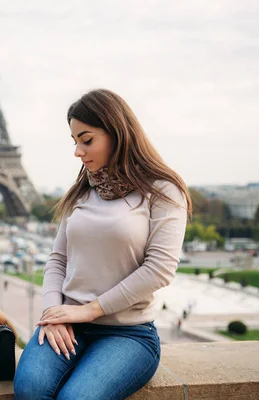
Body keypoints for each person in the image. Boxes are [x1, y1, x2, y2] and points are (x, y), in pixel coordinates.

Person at [14, 89, 191, 400]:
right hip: (68, 323)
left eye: (87, 140)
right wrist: (52, 313)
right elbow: (58, 260)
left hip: (128, 333)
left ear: (117, 133)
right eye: (74, 142)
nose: (78, 151)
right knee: (30, 389)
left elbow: (160, 270)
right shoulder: (82, 191)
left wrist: (90, 311)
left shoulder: (163, 192)